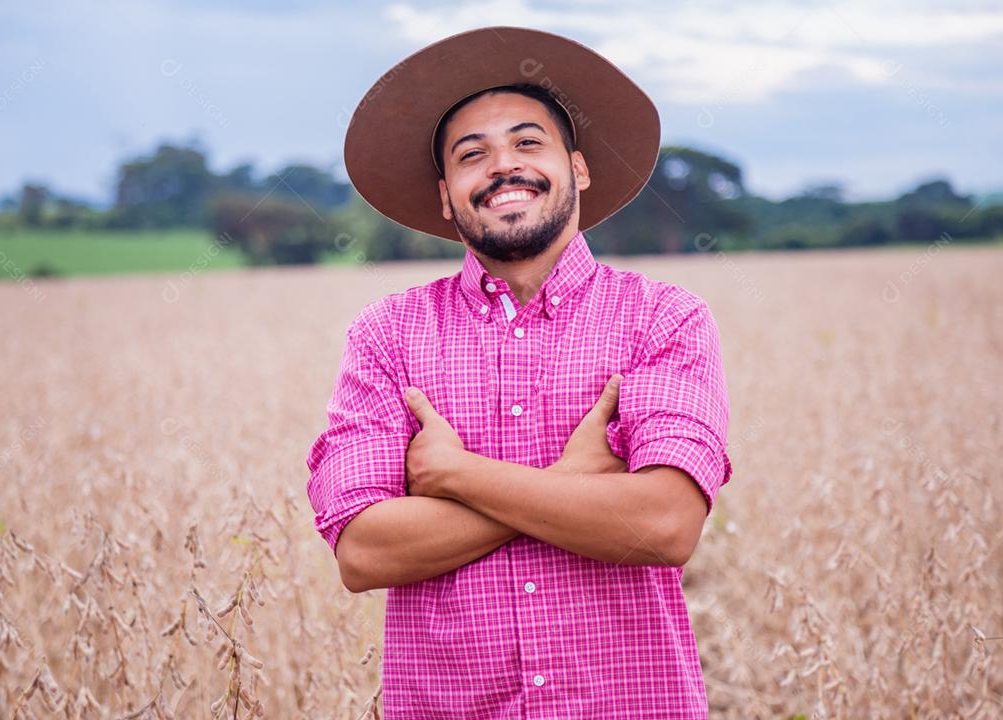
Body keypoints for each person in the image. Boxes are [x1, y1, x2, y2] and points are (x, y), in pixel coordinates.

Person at [306, 25, 733, 719]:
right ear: (447, 195)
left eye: (527, 142)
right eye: (472, 155)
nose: (503, 166)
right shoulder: (386, 337)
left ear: (579, 168)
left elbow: (664, 524)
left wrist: (458, 476)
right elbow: (364, 552)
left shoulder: (664, 318)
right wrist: (570, 486)